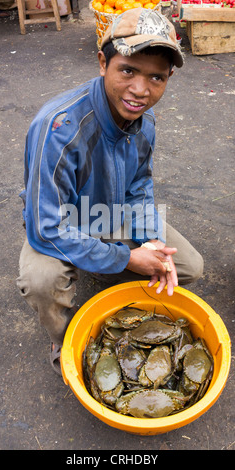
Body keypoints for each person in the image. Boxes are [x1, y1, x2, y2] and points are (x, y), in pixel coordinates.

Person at [16, 8, 203, 375]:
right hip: (63, 222)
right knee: (41, 282)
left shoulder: (143, 122)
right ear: (103, 62)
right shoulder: (58, 127)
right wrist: (126, 259)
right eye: (128, 70)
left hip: (109, 216)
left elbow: (139, 187)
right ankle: (67, 339)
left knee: (186, 267)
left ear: (168, 79)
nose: (140, 90)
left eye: (156, 78)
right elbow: (45, 226)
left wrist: (148, 240)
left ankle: (101, 267)